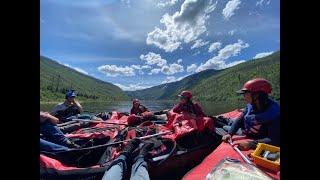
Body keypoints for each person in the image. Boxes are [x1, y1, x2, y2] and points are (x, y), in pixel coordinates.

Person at [222, 78, 280, 150]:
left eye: (246, 93)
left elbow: (275, 140)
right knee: (228, 126)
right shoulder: (251, 105)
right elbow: (240, 119)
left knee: (225, 127)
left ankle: (227, 121)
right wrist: (230, 133)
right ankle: (226, 120)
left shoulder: (275, 114)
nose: (244, 97)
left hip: (257, 135)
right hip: (246, 130)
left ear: (256, 95)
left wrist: (251, 144)